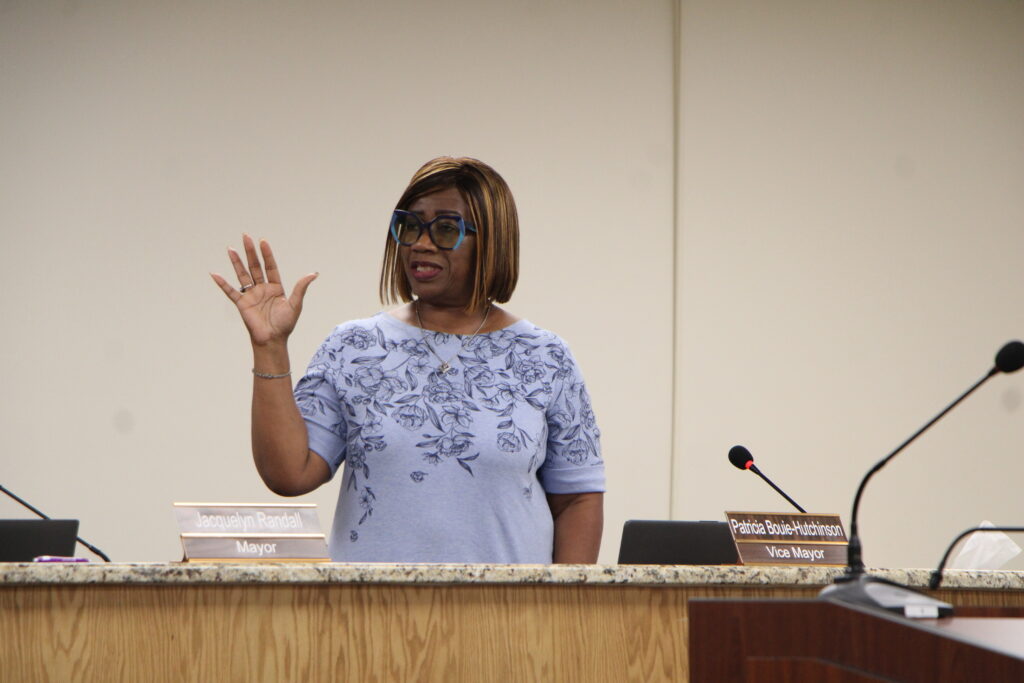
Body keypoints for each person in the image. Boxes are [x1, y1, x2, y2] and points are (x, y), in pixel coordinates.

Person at [211, 157, 604, 563]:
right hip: (370, 615)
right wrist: (270, 346)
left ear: (493, 242)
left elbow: (577, 499)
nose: (421, 242)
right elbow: (289, 474)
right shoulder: (354, 346)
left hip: (504, 617)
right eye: (410, 226)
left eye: (447, 229)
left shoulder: (544, 356)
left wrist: (558, 612)